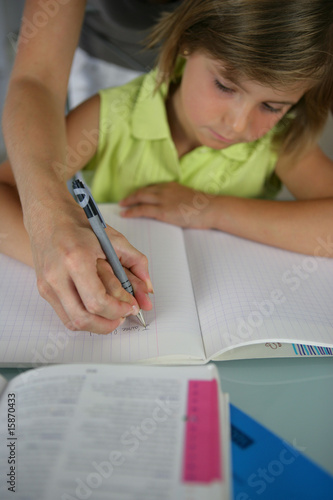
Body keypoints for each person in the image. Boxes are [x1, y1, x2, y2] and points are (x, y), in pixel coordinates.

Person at [1, 0, 333, 336]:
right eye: (225, 86)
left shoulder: (280, 141)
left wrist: (212, 210)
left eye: (272, 106)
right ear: (187, 42)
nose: (237, 124)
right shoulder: (108, 117)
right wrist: (80, 263)